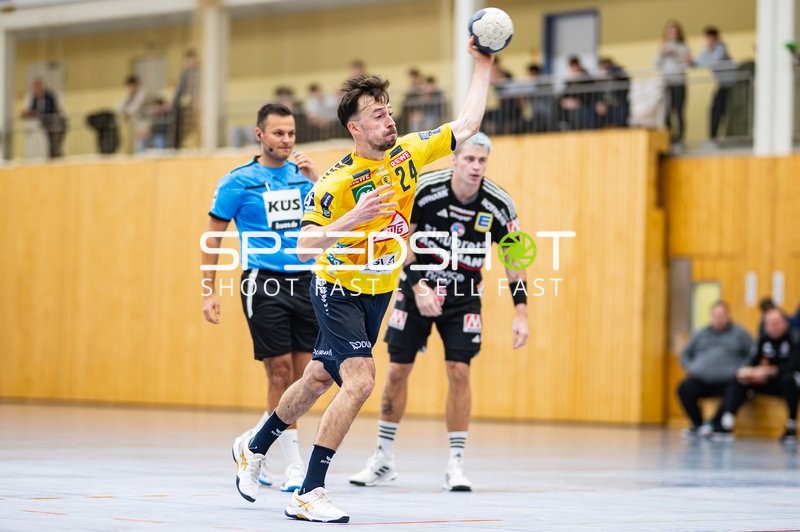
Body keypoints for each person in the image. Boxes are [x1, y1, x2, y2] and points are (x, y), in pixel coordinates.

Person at [232, 37, 494, 523]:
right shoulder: (336, 183)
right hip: (337, 289)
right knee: (360, 381)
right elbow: (305, 245)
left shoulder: (410, 153)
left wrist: (484, 65)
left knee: (314, 379)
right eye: (377, 113)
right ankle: (308, 490)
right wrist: (352, 219)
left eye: (389, 110)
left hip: (377, 291)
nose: (389, 119)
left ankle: (255, 444)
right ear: (356, 128)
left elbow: (469, 124)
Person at [348, 131, 529, 491]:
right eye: (469, 159)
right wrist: (419, 286)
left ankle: (456, 463)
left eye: (482, 161)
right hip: (416, 289)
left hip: (463, 297)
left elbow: (515, 259)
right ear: (455, 160)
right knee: (397, 370)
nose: (476, 167)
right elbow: (399, 239)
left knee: (459, 371)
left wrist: (521, 312)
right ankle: (383, 457)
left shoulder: (499, 204)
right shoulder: (426, 190)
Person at [202, 103, 320, 492]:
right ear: (259, 135)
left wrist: (316, 180)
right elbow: (213, 237)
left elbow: (331, 219)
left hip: (306, 281)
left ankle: (252, 442)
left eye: (291, 133)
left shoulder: (304, 177)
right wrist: (209, 290)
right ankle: (294, 467)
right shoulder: (238, 182)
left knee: (305, 380)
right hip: (263, 282)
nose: (286, 140)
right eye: (278, 133)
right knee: (280, 372)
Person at [712, 308, 800, 444]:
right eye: (769, 323)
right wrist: (750, 373)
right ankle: (726, 422)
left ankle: (791, 426)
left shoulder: (794, 338)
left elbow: (794, 364)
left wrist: (770, 371)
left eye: (776, 322)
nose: (773, 327)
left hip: (787, 383)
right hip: (767, 382)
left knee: (789, 380)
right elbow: (753, 361)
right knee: (740, 378)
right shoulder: (763, 340)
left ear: (785, 323)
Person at [676, 301, 752, 439]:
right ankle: (697, 424)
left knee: (738, 388)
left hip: (728, 381)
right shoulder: (700, 333)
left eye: (721, 315)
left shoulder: (740, 333)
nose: (718, 319)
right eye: (715, 315)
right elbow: (685, 354)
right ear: (711, 316)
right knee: (684, 388)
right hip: (702, 380)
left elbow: (753, 352)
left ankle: (715, 425)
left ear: (728, 316)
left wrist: (743, 368)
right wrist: (691, 367)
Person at [694, 27, 735, 143]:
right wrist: (690, 61)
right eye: (706, 38)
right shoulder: (706, 51)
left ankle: (730, 138)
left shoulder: (721, 47)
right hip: (722, 85)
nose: (708, 41)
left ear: (715, 38)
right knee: (714, 110)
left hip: (733, 84)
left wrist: (702, 61)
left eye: (710, 38)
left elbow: (715, 60)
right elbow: (697, 63)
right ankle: (712, 139)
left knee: (728, 111)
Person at [655, 20, 691, 148]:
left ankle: (681, 140)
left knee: (679, 111)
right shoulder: (662, 46)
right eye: (670, 30)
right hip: (667, 83)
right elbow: (656, 64)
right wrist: (662, 52)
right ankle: (669, 139)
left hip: (680, 82)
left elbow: (688, 62)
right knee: (667, 112)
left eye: (675, 30)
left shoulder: (683, 46)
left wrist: (675, 52)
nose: (673, 33)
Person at [20, 78, 66, 158]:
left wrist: (37, 114)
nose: (35, 90)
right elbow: (32, 110)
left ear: (41, 87)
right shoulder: (34, 98)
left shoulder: (50, 97)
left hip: (52, 125)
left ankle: (54, 158)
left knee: (54, 147)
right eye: (33, 88)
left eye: (36, 87)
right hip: (40, 126)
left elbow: (49, 110)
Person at [171, 49, 199, 148]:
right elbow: (179, 90)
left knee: (199, 128)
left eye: (193, 59)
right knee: (186, 129)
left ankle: (198, 146)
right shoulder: (185, 74)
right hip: (189, 106)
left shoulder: (201, 72)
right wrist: (174, 102)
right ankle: (185, 146)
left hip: (199, 104)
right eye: (189, 60)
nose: (191, 62)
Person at [116, 75, 150, 153]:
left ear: (135, 85)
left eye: (130, 86)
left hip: (149, 122)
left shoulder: (143, 93)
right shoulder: (130, 95)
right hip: (139, 123)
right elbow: (119, 106)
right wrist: (129, 97)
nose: (129, 89)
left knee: (145, 144)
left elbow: (136, 106)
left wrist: (127, 113)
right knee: (140, 143)